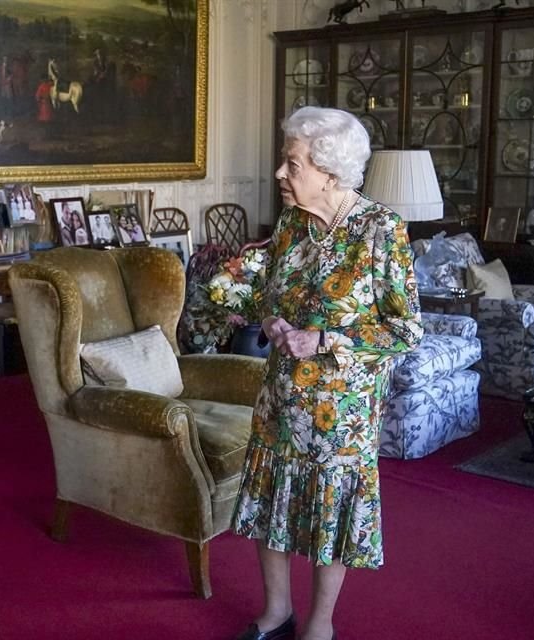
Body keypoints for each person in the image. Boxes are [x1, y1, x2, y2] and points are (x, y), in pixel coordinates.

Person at [231, 106, 423, 640]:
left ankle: (319, 623)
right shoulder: (293, 223)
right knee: (270, 507)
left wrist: (324, 339)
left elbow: (406, 330)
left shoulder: (381, 231)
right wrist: (270, 318)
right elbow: (268, 292)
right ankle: (275, 611)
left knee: (327, 518)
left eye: (291, 164)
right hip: (279, 402)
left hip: (341, 416)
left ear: (330, 171)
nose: (279, 175)